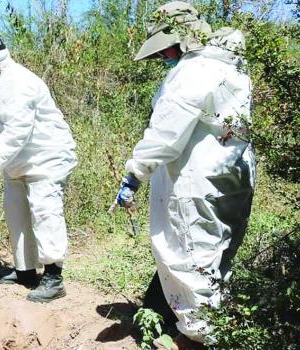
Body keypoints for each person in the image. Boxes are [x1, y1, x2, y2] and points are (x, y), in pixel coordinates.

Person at [115, 2, 254, 347]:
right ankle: (215, 328)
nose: (164, 57)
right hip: (233, 179)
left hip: (195, 182)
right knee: (217, 260)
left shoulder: (191, 71)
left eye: (165, 50)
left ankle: (199, 340)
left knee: (191, 262)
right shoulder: (233, 67)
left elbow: (165, 134)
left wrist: (134, 175)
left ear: (180, 41)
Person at [0, 35, 78, 303]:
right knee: (15, 212)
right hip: (17, 161)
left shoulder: (21, 82)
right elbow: (1, 117)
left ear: (1, 60)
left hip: (46, 156)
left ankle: (53, 277)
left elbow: (19, 130)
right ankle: (25, 271)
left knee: (45, 211)